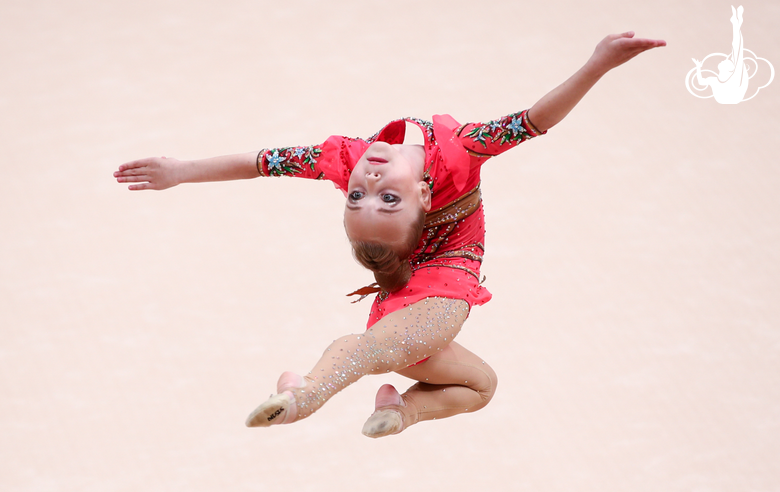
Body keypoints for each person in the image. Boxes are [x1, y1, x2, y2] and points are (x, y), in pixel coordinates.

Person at [115, 31, 666, 438]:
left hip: (411, 315)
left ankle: (398, 408)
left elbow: (259, 162)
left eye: (362, 196)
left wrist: (181, 170)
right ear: (423, 199)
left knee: (481, 387)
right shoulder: (451, 154)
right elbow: (534, 121)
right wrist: (599, 66)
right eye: (376, 197)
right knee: (398, 345)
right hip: (433, 294)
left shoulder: (368, 158)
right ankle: (308, 392)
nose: (367, 184)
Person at [692, 5, 748, 104]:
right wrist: (698, 67)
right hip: (728, 98)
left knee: (737, 50)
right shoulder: (715, 80)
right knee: (737, 51)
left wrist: (736, 26)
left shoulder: (734, 77)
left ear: (729, 69)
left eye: (727, 61)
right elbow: (701, 82)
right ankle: (736, 23)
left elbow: (737, 48)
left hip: (732, 97)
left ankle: (736, 23)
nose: (725, 59)